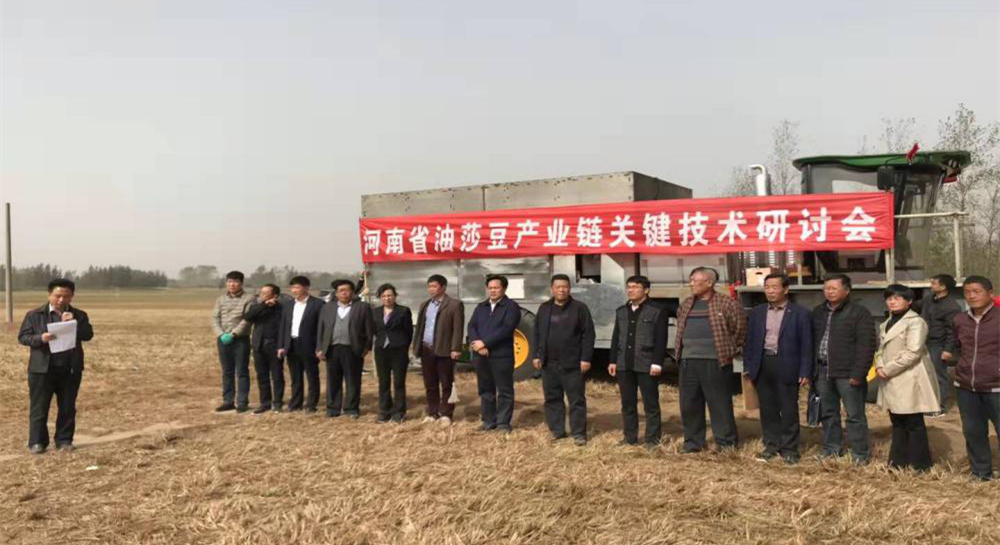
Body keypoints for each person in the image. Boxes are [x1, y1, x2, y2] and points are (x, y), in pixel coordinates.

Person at [742, 273, 813, 464]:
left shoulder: (800, 313)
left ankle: (789, 449)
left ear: (786, 289)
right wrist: (748, 366)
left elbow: (807, 344)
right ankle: (771, 445)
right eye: (767, 287)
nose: (770, 291)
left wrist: (805, 371)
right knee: (767, 409)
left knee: (788, 409)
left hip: (787, 365)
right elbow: (749, 341)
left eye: (774, 287)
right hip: (763, 364)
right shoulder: (757, 312)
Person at [18, 278, 94, 454]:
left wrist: (73, 323)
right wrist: (40, 338)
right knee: (39, 407)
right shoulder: (34, 315)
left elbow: (88, 335)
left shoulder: (79, 315)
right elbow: (23, 337)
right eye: (57, 295)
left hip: (70, 368)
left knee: (67, 406)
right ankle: (37, 442)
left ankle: (64, 440)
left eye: (66, 296)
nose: (61, 300)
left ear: (72, 296)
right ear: (49, 295)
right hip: (41, 369)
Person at [675, 267, 746, 453]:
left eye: (695, 280)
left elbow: (739, 330)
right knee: (689, 404)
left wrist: (729, 350)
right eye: (691, 280)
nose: (691, 284)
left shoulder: (727, 304)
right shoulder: (686, 304)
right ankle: (693, 443)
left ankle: (726, 443)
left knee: (719, 404)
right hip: (688, 361)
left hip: (715, 361)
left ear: (709, 283)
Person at [811, 273, 876, 464]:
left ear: (847, 290)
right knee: (828, 413)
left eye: (834, 288)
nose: (829, 292)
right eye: (826, 288)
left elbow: (867, 345)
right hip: (823, 371)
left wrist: (859, 373)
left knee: (854, 415)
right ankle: (832, 448)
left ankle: (860, 454)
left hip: (848, 373)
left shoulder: (859, 313)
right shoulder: (818, 312)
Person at [874, 284, 940, 472]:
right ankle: (898, 462)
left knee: (913, 422)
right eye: (889, 298)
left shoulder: (915, 322)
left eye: (897, 298)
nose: (892, 302)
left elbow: (913, 352)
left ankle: (921, 465)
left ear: (909, 301)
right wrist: (879, 365)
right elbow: (880, 349)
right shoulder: (886, 323)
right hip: (891, 377)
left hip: (909, 376)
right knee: (897, 421)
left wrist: (888, 369)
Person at [943, 275, 1000, 481]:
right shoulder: (960, 320)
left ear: (990, 293)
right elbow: (957, 346)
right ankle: (980, 473)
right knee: (973, 432)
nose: (971, 296)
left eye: (977, 291)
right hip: (966, 386)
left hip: (996, 386)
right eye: (967, 292)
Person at [532, 274, 596, 446]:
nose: (561, 290)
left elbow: (589, 334)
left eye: (565, 287)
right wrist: (536, 355)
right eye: (558, 287)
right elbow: (536, 333)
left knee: (576, 400)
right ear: (552, 289)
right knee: (552, 399)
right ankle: (557, 431)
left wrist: (585, 358)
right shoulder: (544, 308)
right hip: (549, 363)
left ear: (570, 288)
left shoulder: (579, 308)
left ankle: (578, 433)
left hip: (573, 363)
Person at [609, 275, 668, 447]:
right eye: (629, 287)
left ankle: (652, 440)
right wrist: (613, 361)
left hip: (646, 363)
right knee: (627, 403)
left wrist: (657, 363)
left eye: (635, 287)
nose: (631, 290)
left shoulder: (657, 310)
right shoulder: (621, 311)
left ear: (646, 290)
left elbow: (661, 338)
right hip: (624, 363)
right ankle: (629, 438)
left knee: (650, 404)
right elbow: (616, 337)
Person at [468, 275, 522, 433]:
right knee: (485, 389)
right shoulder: (481, 307)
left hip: (501, 356)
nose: (493, 290)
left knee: (504, 390)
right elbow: (472, 326)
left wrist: (485, 343)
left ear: (504, 289)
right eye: (490, 288)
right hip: (481, 355)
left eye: (496, 287)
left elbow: (507, 329)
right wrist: (477, 344)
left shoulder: (511, 307)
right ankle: (488, 421)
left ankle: (503, 423)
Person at [316, 279, 373, 418]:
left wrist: (366, 347)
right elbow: (321, 329)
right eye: (341, 291)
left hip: (353, 349)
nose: (344, 293)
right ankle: (333, 408)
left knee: (353, 380)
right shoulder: (328, 307)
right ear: (336, 293)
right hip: (332, 348)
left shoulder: (362, 307)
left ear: (352, 292)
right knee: (333, 380)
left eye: (347, 290)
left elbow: (369, 329)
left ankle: (351, 409)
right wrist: (319, 347)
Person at [412, 275, 465, 425]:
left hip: (445, 349)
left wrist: (456, 348)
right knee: (430, 384)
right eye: (429, 286)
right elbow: (420, 327)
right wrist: (416, 346)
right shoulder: (425, 305)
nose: (431, 289)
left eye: (434, 286)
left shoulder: (454, 305)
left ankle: (446, 414)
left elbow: (458, 328)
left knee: (446, 383)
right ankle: (433, 412)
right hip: (426, 348)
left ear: (443, 287)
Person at [278, 276, 324, 413]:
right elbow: (283, 326)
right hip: (292, 344)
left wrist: (319, 347)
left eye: (297, 287)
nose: (294, 290)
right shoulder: (288, 305)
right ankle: (296, 403)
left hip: (309, 345)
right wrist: (281, 346)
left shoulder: (318, 304)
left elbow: (321, 328)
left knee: (312, 376)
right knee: (295, 377)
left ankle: (311, 404)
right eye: (292, 287)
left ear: (306, 288)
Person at [211, 271, 255, 412]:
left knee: (241, 371)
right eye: (229, 281)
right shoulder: (220, 299)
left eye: (235, 282)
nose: (232, 284)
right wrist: (221, 334)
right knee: (227, 371)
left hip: (240, 339)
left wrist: (234, 334)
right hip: (223, 339)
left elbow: (247, 320)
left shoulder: (249, 298)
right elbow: (215, 318)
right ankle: (228, 401)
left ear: (241, 283)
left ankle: (242, 402)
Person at [918, 274, 961, 416]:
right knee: (926, 375)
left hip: (938, 344)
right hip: (924, 342)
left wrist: (948, 350)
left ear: (943, 287)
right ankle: (927, 404)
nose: (931, 285)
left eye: (934, 283)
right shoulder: (928, 299)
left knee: (938, 376)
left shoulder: (952, 307)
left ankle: (940, 407)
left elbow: (953, 330)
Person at [372, 284, 414, 423]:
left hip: (398, 351)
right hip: (381, 351)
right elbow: (375, 330)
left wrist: (403, 345)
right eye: (383, 296)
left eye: (389, 295)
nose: (387, 298)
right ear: (380, 298)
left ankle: (399, 412)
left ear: (395, 296)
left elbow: (408, 331)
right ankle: (384, 411)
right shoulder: (375, 312)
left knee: (398, 382)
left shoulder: (403, 311)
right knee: (383, 382)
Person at [245, 283, 285, 414]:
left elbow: (284, 327)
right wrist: (264, 305)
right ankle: (265, 403)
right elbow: (248, 317)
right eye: (261, 293)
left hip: (274, 345)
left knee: (277, 375)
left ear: (275, 295)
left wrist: (281, 345)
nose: (262, 295)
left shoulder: (281, 308)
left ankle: (277, 403)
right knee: (262, 376)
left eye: (265, 293)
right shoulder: (257, 307)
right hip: (259, 345)